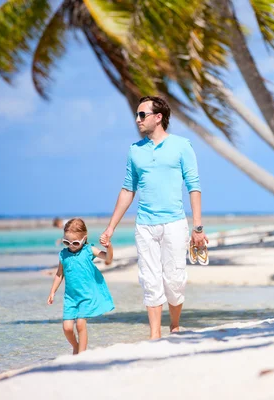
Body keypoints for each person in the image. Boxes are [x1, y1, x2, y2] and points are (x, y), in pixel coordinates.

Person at [100, 95, 208, 339]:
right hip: (145, 225)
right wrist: (110, 228)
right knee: (149, 280)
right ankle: (155, 335)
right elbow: (128, 189)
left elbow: (194, 186)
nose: (137, 120)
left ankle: (175, 325)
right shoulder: (134, 150)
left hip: (174, 223)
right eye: (137, 115)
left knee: (175, 280)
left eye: (142, 115)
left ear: (158, 117)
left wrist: (198, 228)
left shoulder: (182, 146)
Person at [47, 218, 115, 354]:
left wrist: (109, 247)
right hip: (70, 298)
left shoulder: (89, 250)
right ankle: (76, 347)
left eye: (75, 243)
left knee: (80, 323)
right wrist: (52, 291)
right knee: (67, 328)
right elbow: (59, 274)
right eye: (67, 242)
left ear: (84, 239)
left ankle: (82, 354)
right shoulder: (63, 254)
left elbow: (108, 258)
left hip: (86, 296)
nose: (71, 246)